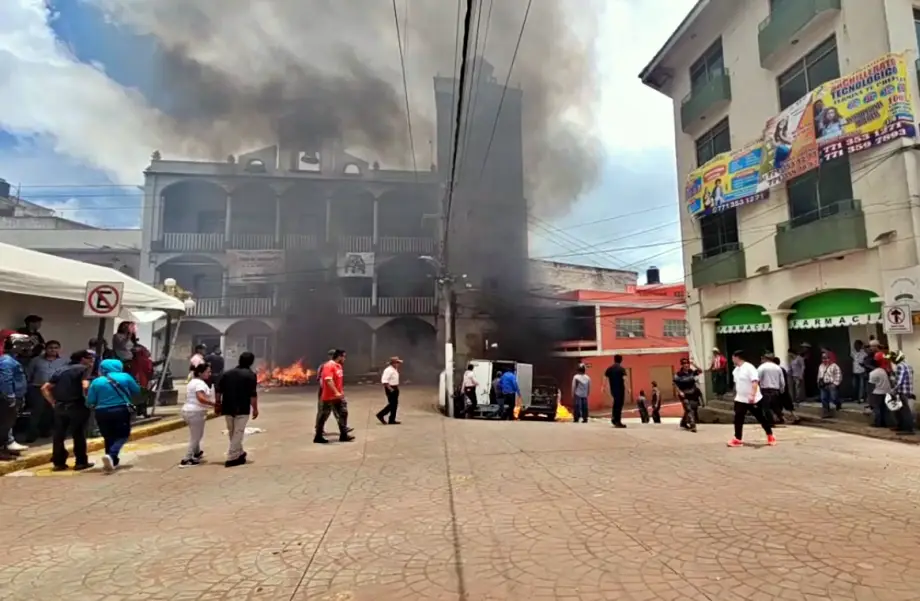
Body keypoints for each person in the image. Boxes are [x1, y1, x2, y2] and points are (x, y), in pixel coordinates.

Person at [41, 350, 95, 471]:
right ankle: (81, 462)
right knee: (79, 434)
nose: (92, 361)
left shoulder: (61, 370)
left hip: (60, 406)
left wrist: (53, 402)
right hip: (77, 405)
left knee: (59, 435)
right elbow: (85, 385)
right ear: (82, 359)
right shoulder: (83, 369)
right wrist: (90, 400)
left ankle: (58, 462)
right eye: (89, 358)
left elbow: (45, 388)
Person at [86, 357, 141, 473]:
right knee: (123, 434)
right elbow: (136, 390)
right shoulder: (125, 377)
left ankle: (112, 461)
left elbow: (90, 400)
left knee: (108, 436)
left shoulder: (97, 381)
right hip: (120, 410)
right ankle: (112, 454)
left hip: (101, 412)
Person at [215, 351, 259, 467]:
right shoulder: (250, 375)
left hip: (228, 406)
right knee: (238, 432)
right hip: (242, 408)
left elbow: (218, 390)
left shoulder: (227, 373)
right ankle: (232, 457)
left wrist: (218, 404)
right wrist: (255, 408)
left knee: (233, 431)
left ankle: (239, 453)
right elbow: (253, 394)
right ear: (251, 362)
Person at [727, 350, 775, 447]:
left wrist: (752, 395)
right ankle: (737, 438)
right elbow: (737, 384)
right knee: (738, 418)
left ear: (737, 357)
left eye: (733, 357)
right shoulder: (735, 370)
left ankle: (770, 434)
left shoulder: (749, 367)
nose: (732, 360)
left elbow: (755, 381)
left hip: (753, 399)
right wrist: (735, 394)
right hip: (740, 399)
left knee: (761, 417)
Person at [25, 339, 66, 442]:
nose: (53, 350)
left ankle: (45, 431)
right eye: (50, 348)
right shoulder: (36, 360)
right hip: (37, 388)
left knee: (50, 412)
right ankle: (31, 434)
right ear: (46, 349)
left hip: (54, 390)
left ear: (59, 349)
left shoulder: (64, 361)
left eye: (56, 348)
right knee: (37, 412)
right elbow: (29, 374)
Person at [0, 333, 32, 458]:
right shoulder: (7, 361)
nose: (26, 348)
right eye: (23, 345)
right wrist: (10, 397)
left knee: (8, 424)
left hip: (15, 397)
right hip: (8, 399)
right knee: (3, 424)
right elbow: (5, 380)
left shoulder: (12, 360)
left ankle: (7, 446)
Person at [180, 362, 214, 467]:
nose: (210, 374)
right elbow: (201, 398)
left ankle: (196, 453)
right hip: (196, 412)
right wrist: (214, 404)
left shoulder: (192, 382)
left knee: (195, 434)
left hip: (187, 410)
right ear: (200, 373)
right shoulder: (200, 384)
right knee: (196, 437)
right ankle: (187, 458)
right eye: (208, 372)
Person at [315, 349, 353, 444]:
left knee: (343, 413)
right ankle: (318, 436)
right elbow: (328, 380)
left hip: (338, 396)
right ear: (339, 356)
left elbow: (338, 381)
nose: (345, 358)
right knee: (323, 415)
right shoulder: (328, 366)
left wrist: (340, 392)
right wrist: (336, 392)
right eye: (344, 356)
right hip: (329, 396)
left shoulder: (339, 366)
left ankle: (343, 435)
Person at [888, 351, 916, 435]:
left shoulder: (900, 366)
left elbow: (899, 381)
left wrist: (893, 390)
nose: (892, 361)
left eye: (892, 359)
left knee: (904, 410)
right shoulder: (908, 365)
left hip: (902, 391)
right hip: (907, 390)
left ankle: (908, 429)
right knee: (900, 410)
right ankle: (902, 426)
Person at [757, 352, 786, 425]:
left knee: (766, 407)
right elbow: (782, 380)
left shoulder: (762, 367)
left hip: (765, 389)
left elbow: (757, 379)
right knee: (775, 406)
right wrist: (782, 389)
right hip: (775, 390)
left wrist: (757, 389)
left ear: (765, 358)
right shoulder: (778, 367)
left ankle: (771, 421)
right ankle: (780, 417)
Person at [674, 358, 701, 433]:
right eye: (684, 364)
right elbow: (675, 384)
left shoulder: (691, 372)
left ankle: (683, 423)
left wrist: (694, 364)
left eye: (687, 363)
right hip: (684, 394)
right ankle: (693, 426)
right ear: (682, 365)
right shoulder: (678, 374)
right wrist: (680, 392)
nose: (686, 365)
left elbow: (700, 371)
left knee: (689, 409)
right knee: (689, 409)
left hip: (692, 393)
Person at [772, 356, 800, 424]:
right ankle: (794, 417)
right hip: (784, 390)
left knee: (777, 405)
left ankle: (781, 418)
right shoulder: (782, 369)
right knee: (788, 405)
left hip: (779, 390)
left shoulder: (776, 370)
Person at [603, 354, 628, 428]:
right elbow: (625, 379)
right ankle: (618, 421)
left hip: (613, 389)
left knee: (615, 403)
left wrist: (603, 386)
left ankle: (614, 418)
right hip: (620, 389)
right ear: (621, 360)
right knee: (619, 405)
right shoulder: (621, 369)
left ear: (614, 359)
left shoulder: (610, 368)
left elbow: (605, 377)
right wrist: (628, 388)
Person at [866, 355, 891, 428]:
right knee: (884, 409)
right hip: (886, 392)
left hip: (877, 392)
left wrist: (869, 396)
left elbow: (871, 385)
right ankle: (884, 423)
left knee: (877, 408)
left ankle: (878, 422)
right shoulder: (883, 371)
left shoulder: (873, 373)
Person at [376, 356, 403, 425]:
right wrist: (390, 389)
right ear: (393, 363)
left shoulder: (394, 369)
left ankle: (392, 419)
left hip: (395, 387)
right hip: (390, 388)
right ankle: (380, 415)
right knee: (392, 404)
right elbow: (384, 381)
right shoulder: (388, 370)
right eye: (397, 363)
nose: (398, 364)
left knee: (395, 404)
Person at [818, 351, 843, 417]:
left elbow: (839, 375)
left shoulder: (834, 366)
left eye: (826, 358)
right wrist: (819, 382)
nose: (825, 359)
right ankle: (826, 413)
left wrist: (835, 384)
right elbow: (819, 375)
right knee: (823, 399)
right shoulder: (821, 366)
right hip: (823, 385)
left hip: (832, 384)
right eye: (823, 358)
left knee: (834, 398)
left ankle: (838, 403)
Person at [851, 340, 868, 405]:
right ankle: (855, 398)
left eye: (857, 345)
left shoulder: (864, 353)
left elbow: (865, 362)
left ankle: (860, 398)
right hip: (855, 371)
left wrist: (863, 364)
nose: (855, 346)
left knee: (862, 386)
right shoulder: (853, 353)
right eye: (855, 345)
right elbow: (853, 360)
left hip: (862, 371)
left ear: (860, 346)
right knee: (855, 385)